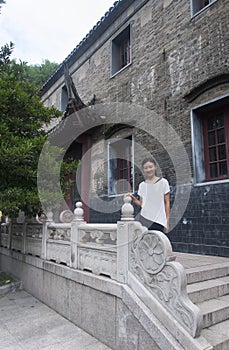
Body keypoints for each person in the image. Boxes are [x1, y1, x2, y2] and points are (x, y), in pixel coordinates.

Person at [128, 157, 170, 233]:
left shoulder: (163, 182)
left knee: (158, 243)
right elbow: (141, 205)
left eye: (150, 167)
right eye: (146, 168)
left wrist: (167, 221)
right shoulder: (142, 185)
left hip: (159, 221)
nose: (148, 170)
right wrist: (133, 198)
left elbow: (167, 203)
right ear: (143, 170)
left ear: (155, 167)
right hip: (145, 220)